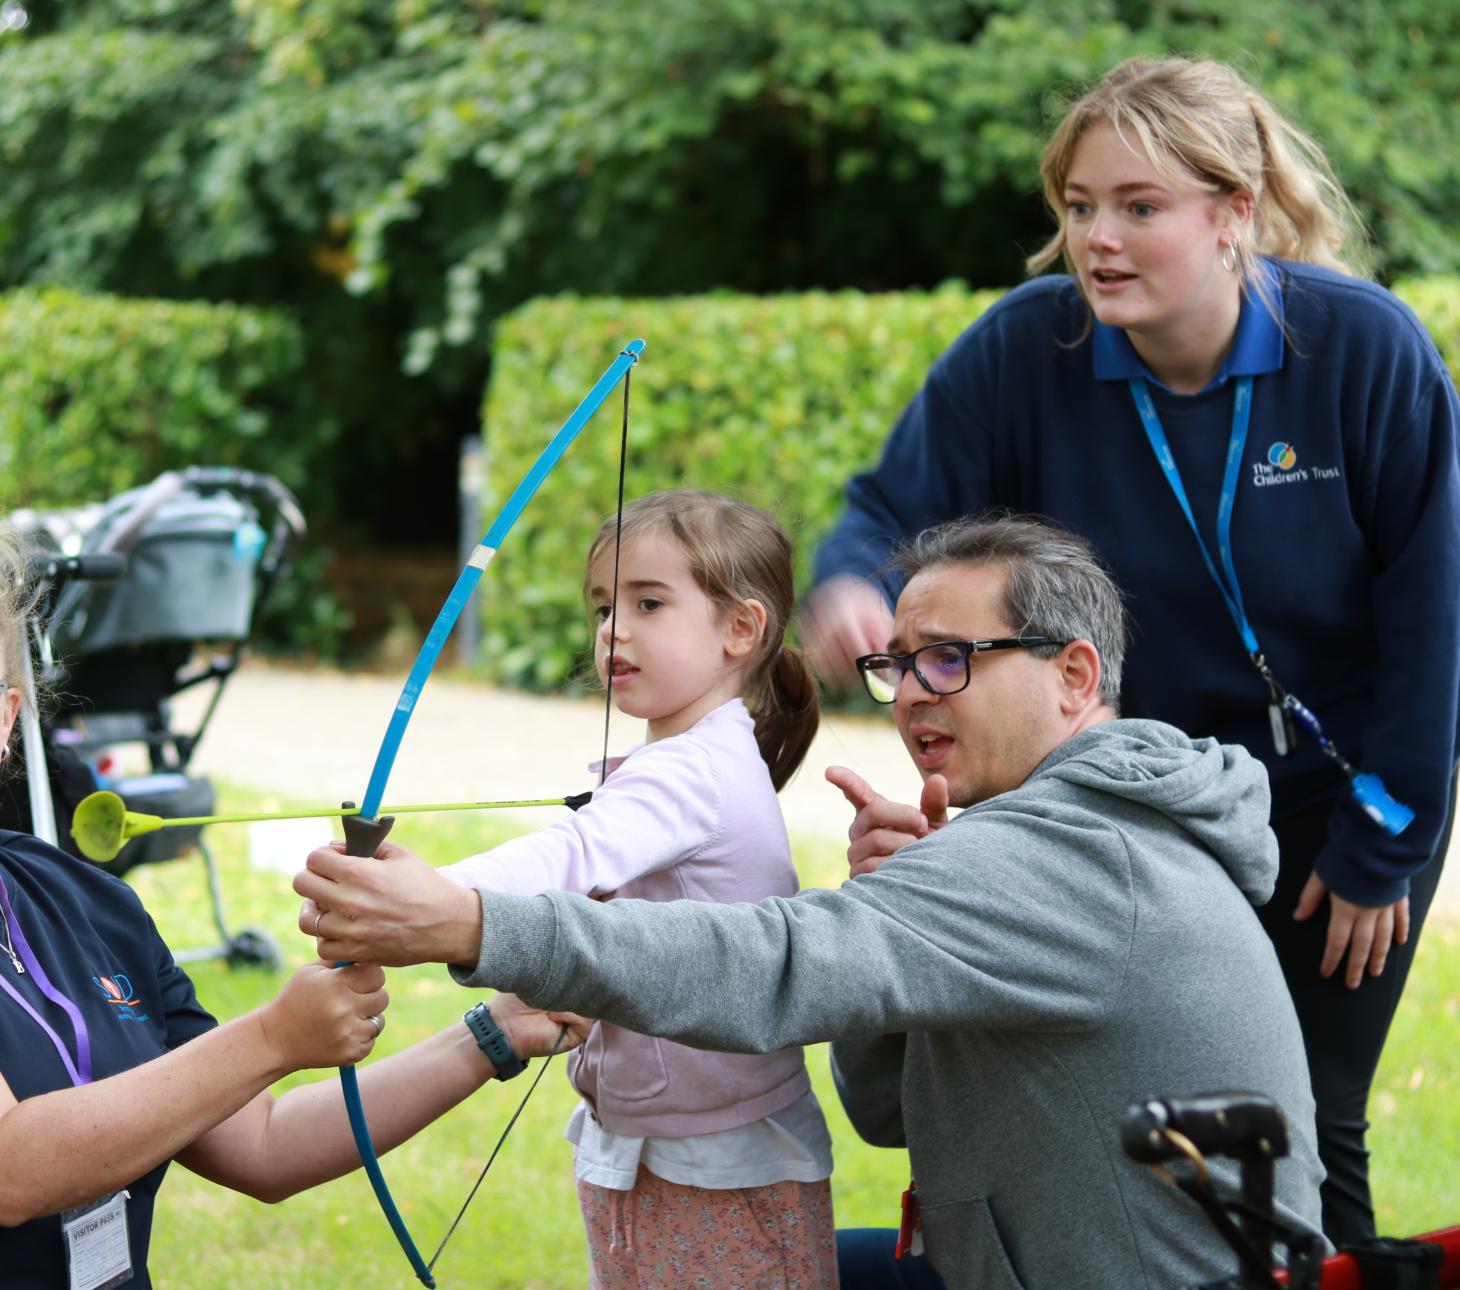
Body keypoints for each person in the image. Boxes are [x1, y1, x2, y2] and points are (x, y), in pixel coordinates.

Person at [295, 515, 1327, 1290]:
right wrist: (902, 910)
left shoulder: (1074, 858)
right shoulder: (1060, 839)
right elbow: (885, 1111)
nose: (913, 691)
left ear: (1072, 676)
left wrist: (473, 923)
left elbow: (773, 964)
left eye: (949, 660)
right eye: (895, 664)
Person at [801, 55, 1460, 1244]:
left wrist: (1383, 844)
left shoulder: (1362, 349)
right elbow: (886, 508)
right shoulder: (1024, 348)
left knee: (1302, 1110)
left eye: (1137, 207)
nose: (1095, 238)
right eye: (1077, 206)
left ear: (1232, 216)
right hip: (1134, 801)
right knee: (1178, 1115)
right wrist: (852, 580)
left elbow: (1433, 619)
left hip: (1338, 796)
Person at [0, 522, 586, 1288]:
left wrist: (492, 1036)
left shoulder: (90, 905)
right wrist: (275, 1036)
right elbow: (13, 1168)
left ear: (8, 716)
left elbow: (263, 1144)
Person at [401, 490, 833, 1287]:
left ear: (741, 629)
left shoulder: (694, 768)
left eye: (648, 602)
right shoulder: (687, 761)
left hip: (716, 1158)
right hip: (659, 1138)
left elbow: (575, 853)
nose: (613, 630)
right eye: (604, 606)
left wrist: (429, 899)